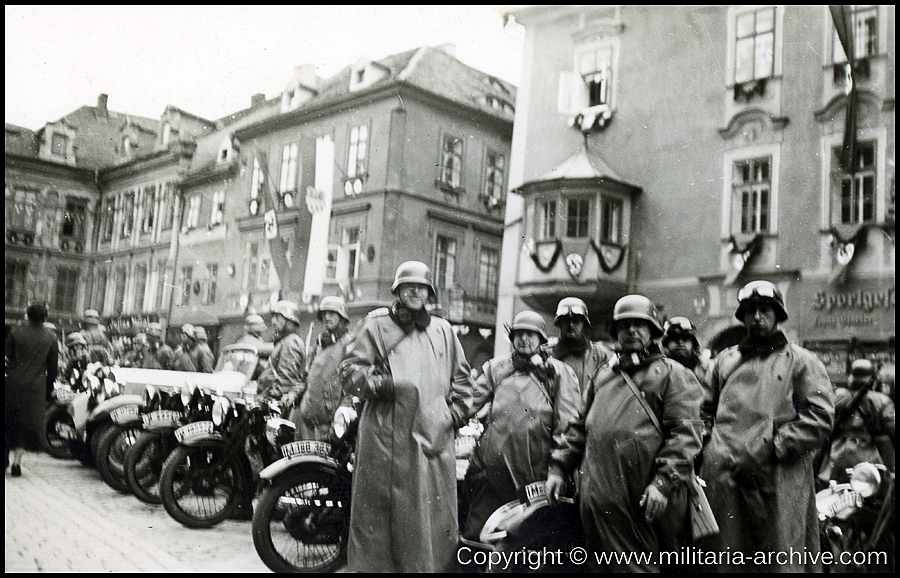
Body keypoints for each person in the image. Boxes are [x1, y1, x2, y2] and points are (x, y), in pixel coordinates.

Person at [546, 295, 704, 572]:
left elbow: (685, 436)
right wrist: (558, 468)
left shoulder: (672, 374)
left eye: (638, 325)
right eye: (624, 325)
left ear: (653, 331)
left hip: (641, 502)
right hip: (596, 504)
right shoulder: (603, 376)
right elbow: (579, 428)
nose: (630, 331)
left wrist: (663, 484)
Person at [340, 261, 477, 572]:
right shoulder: (375, 326)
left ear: (429, 293)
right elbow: (349, 372)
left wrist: (450, 417)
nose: (416, 292)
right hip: (383, 440)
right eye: (409, 286)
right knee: (379, 523)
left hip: (431, 442)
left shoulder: (444, 331)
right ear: (398, 291)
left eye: (422, 287)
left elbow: (463, 382)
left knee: (428, 523)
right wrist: (382, 384)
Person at [699, 280, 834, 572]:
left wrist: (775, 446)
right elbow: (704, 410)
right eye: (750, 311)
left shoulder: (801, 361)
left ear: (777, 315)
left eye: (764, 310)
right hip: (726, 478)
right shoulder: (725, 360)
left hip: (778, 477)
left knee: (779, 558)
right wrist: (713, 447)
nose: (757, 317)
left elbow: (820, 417)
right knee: (726, 559)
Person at [461, 310, 580, 541]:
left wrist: (559, 468)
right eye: (519, 333)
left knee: (526, 542)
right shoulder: (496, 368)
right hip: (491, 473)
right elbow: (467, 404)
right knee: (478, 537)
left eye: (531, 334)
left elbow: (567, 427)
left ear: (542, 340)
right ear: (512, 337)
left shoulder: (559, 373)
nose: (524, 339)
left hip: (535, 477)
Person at [818, 359, 894, 484]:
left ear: (851, 378)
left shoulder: (836, 397)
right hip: (869, 462)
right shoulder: (881, 401)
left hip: (836, 460)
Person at [6, 303, 59, 477]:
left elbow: (8, 358)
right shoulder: (51, 337)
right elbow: (53, 369)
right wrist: (48, 389)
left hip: (12, 385)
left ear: (27, 315)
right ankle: (17, 464)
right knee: (25, 425)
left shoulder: (16, 332)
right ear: (45, 317)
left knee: (9, 421)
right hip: (35, 388)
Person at [291, 296, 353, 441]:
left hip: (330, 426)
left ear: (342, 317)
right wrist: (293, 394)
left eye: (332, 313)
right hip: (307, 422)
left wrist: (339, 422)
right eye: (324, 314)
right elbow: (305, 376)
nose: (327, 317)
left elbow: (351, 388)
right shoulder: (319, 344)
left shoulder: (349, 343)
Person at [662, 316, 713, 438]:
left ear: (693, 343)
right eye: (675, 339)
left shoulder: (707, 369)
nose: (680, 343)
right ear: (667, 344)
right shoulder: (660, 371)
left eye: (685, 339)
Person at [549, 297, 613, 394]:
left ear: (584, 323)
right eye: (566, 321)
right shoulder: (547, 354)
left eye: (576, 321)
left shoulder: (603, 356)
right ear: (559, 323)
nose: (571, 325)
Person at [257, 301, 307, 404]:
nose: (273, 321)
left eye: (277, 317)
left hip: (276, 405)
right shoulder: (284, 341)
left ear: (289, 320)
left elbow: (285, 382)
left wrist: (264, 399)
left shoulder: (291, 342)